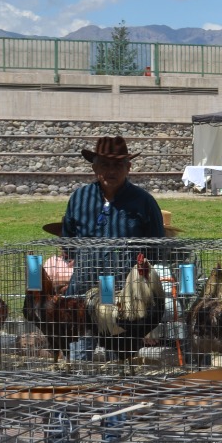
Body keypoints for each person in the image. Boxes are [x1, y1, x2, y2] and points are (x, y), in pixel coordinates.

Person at [54, 135, 165, 359]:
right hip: (83, 292)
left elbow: (157, 247)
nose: (110, 171)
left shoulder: (143, 201)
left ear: (128, 167)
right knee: (78, 357)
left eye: (117, 165)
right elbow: (69, 242)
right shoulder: (79, 198)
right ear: (94, 167)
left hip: (124, 298)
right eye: (104, 164)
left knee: (120, 360)